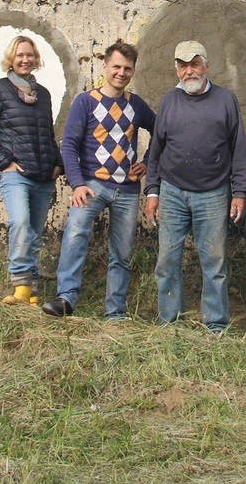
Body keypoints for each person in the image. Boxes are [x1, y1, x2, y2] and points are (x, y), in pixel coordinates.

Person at [42, 41, 156, 320]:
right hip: (92, 185)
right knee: (75, 234)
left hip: (128, 190)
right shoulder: (86, 102)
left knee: (122, 252)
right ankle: (65, 298)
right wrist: (77, 183)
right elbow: (68, 144)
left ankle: (115, 312)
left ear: (133, 71)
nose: (121, 72)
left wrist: (149, 160)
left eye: (127, 68)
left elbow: (161, 132)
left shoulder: (136, 105)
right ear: (104, 66)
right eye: (116, 66)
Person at [145, 41, 246, 333]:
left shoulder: (226, 99)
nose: (188, 70)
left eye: (194, 63)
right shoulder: (168, 101)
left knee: (214, 262)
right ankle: (169, 322)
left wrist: (239, 192)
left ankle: (216, 324)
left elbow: (238, 149)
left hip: (214, 193)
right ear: (176, 69)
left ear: (207, 66)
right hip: (172, 192)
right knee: (167, 260)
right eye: (182, 65)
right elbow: (155, 151)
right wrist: (152, 192)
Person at [0, 35, 64, 305]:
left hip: (43, 175)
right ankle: (20, 283)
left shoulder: (43, 94)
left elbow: (47, 133)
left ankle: (31, 288)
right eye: (20, 55)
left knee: (36, 232)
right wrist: (4, 161)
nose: (25, 59)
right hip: (15, 174)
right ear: (11, 60)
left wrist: (57, 163)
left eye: (29, 55)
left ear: (35, 59)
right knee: (21, 223)